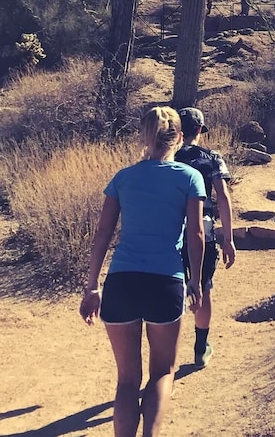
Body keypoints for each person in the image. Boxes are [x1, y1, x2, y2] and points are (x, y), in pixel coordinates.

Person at [80, 106, 206, 437]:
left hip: (121, 282)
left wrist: (91, 286)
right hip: (165, 281)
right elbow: (196, 233)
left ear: (144, 136)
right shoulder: (189, 177)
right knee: (163, 371)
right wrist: (195, 281)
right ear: (179, 137)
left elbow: (103, 235)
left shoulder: (123, 178)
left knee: (127, 380)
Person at [175, 107, 236, 369]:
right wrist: (229, 238)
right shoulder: (212, 158)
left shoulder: (167, 157)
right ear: (200, 130)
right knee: (204, 284)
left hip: (171, 228)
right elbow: (222, 196)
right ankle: (201, 347)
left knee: (173, 283)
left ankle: (165, 347)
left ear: (177, 131)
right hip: (204, 226)